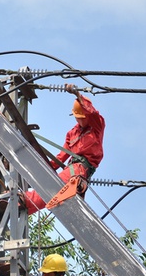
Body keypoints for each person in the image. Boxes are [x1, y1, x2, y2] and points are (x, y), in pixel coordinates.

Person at [23, 84, 106, 214]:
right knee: (53, 191)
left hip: (80, 169)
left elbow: (93, 113)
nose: (80, 121)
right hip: (72, 168)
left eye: (83, 118)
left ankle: (25, 200)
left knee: (53, 187)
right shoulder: (72, 133)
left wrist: (78, 95)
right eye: (78, 118)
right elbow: (61, 157)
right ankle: (25, 205)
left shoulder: (96, 126)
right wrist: (39, 169)